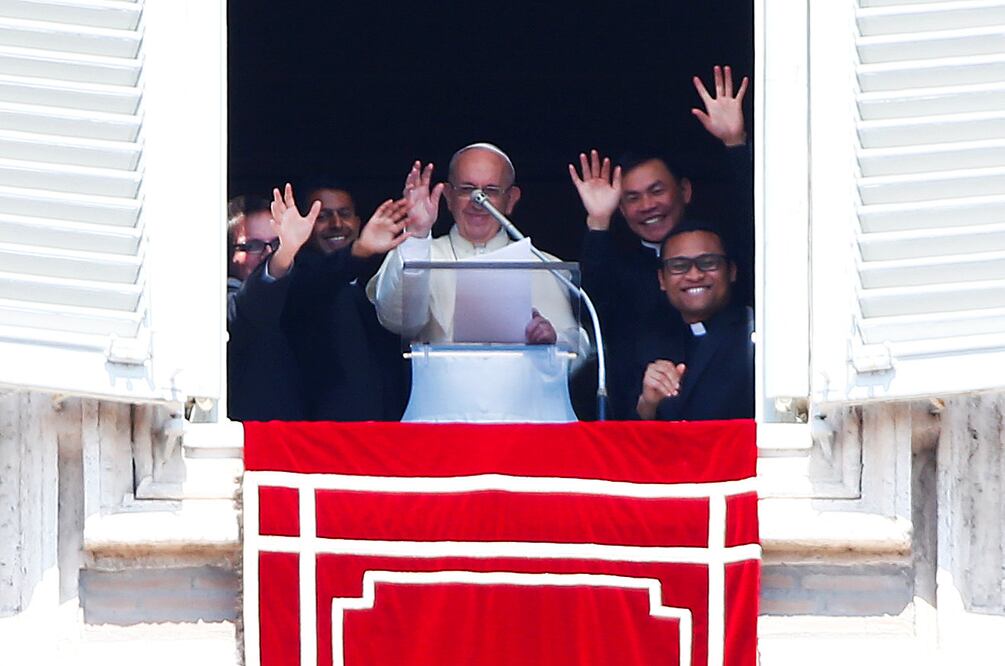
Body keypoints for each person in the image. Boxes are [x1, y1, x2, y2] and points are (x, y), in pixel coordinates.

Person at [569, 64, 751, 418]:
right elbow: (594, 309)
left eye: (656, 191)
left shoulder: (725, 248)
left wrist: (735, 144)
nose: (647, 206)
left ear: (683, 191)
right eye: (632, 198)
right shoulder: (621, 270)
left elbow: (758, 224)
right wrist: (599, 223)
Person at [367, 143, 583, 351]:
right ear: (449, 197)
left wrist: (553, 340)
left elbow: (577, 346)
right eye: (467, 189)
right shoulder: (422, 253)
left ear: (511, 199)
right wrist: (417, 234)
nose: (478, 201)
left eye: (491, 190)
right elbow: (396, 319)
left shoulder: (543, 265)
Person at [271, 182, 412, 421]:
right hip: (322, 434)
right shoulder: (295, 278)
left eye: (344, 214)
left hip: (387, 431)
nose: (336, 224)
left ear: (358, 221)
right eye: (323, 216)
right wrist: (359, 251)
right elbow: (321, 281)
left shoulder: (380, 276)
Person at [632, 220, 753, 421]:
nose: (695, 275)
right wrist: (648, 403)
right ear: (662, 279)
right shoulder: (650, 343)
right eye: (679, 266)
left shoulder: (756, 335)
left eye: (708, 263)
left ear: (731, 271)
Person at [225, 194, 304, 421]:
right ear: (228, 254)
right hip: (247, 446)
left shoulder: (299, 290)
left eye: (277, 243)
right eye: (252, 245)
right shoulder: (223, 302)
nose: (268, 253)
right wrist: (284, 254)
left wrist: (361, 250)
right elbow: (250, 308)